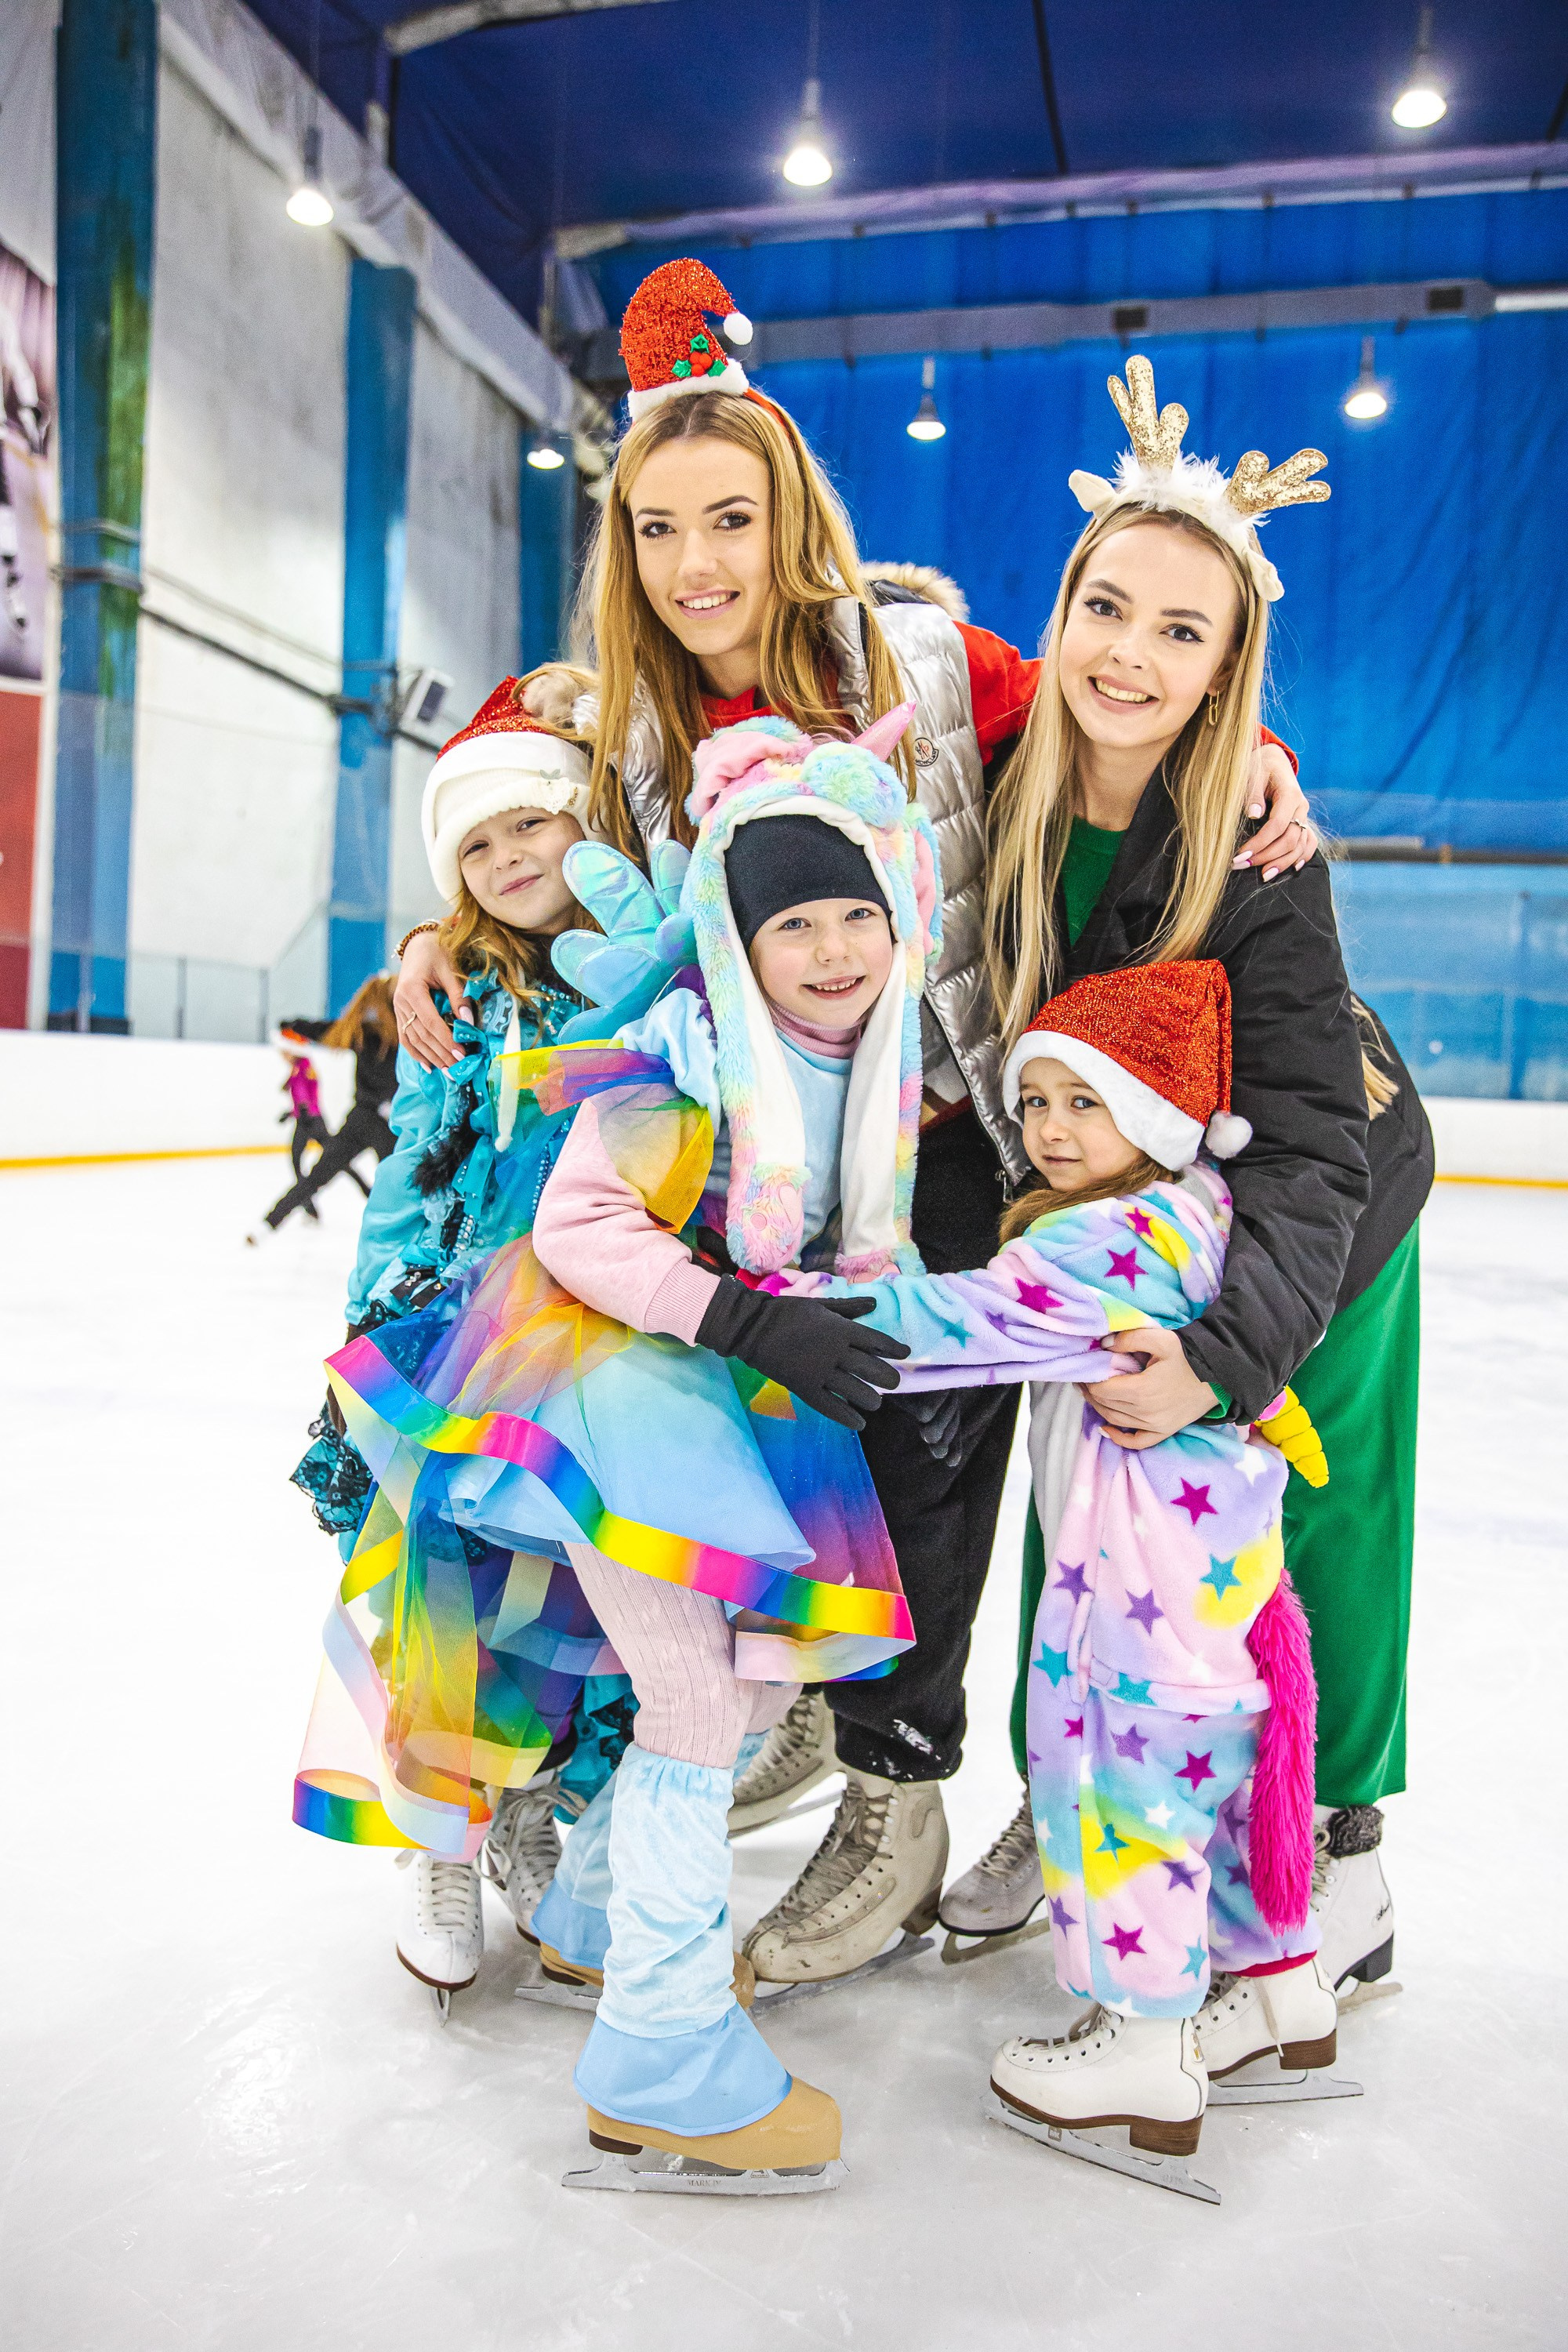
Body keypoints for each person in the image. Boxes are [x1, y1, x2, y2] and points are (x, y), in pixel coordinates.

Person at [394, 259, 1316, 1982]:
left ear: (788, 509)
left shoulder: (908, 651)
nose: (699, 566)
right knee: (760, 1448)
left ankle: (901, 1797)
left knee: (924, 1442)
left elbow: (1107, 720)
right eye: (658, 530)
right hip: (763, 1169)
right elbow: (520, 847)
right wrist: (434, 929)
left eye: (729, 518)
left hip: (950, 1129)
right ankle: (797, 1712)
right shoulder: (641, 742)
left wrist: (1251, 754)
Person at [322, 709, 929, 2191]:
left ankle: (595, 1928)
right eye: (801, 922)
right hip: (588, 1373)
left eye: (862, 915)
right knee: (677, 1696)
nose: (836, 949)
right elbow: (575, 1225)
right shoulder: (688, 1042)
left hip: (682, 1378)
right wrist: (754, 1323)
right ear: (738, 933)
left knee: (731, 1675)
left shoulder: (849, 1059)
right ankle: (661, 2054)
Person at [942, 362, 1432, 1991]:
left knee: (1317, 1504)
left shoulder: (1252, 843)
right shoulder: (1002, 794)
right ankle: (1049, 1787)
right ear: (1062, 606)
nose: (1129, 655)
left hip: (1328, 1193)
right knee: (1069, 1484)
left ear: (1229, 668)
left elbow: (1304, 1139)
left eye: (1180, 631)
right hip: (1127, 1211)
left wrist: (1229, 1360)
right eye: (1107, 606)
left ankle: (1340, 1844)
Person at [783, 958, 1343, 2192]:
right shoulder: (1203, 1209)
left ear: (1146, 1114)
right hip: (1227, 1606)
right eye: (1032, 1102)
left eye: (1082, 1103)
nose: (1046, 1128)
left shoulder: (1101, 1243)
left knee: (1122, 1813)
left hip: (1134, 1623)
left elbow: (948, 1331)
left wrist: (772, 1302)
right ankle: (1280, 1993)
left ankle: (1143, 2050)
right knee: (1230, 1812)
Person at [292, 688, 644, 2008]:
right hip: (462, 1341)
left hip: (604, 1342)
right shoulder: (464, 1001)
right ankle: (437, 1839)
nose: (507, 860)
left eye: (530, 825)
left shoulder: (641, 974)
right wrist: (383, 1312)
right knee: (444, 1591)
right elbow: (411, 1177)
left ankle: (528, 1809)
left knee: (573, 1603)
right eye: (476, 849)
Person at [249, 976, 398, 1240]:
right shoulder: (383, 1035)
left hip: (371, 1121)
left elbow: (327, 1031)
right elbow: (329, 1031)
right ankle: (269, 1223)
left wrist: (294, 1025)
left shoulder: (369, 1034)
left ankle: (269, 1223)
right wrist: (296, 1026)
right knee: (388, 1187)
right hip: (379, 1121)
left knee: (319, 1176)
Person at [277, 1032, 328, 1192]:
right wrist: (291, 1113)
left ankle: (365, 1188)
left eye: (285, 1052)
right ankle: (307, 1203)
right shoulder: (297, 1068)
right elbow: (300, 1098)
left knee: (334, 1156)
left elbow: (308, 1094)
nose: (283, 1056)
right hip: (305, 1119)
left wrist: (305, 1110)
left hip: (312, 1120)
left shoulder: (304, 1065)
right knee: (296, 1159)